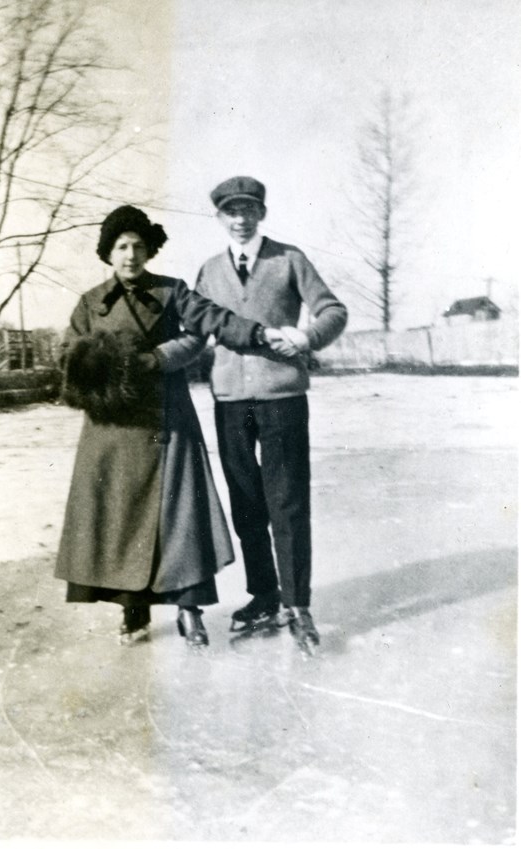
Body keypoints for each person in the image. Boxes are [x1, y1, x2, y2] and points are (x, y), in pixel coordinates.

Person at [55, 205, 294, 648]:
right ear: (108, 252)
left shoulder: (171, 292)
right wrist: (101, 366)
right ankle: (133, 610)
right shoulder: (89, 303)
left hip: (167, 421)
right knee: (122, 519)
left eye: (139, 246)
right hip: (112, 429)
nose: (131, 255)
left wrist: (160, 358)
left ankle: (189, 611)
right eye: (122, 246)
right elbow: (69, 355)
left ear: (149, 251)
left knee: (180, 519)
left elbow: (205, 327)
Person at [195, 176, 348, 649]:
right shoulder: (208, 270)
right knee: (246, 506)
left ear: (261, 214)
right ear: (219, 217)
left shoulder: (289, 259)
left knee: (287, 502)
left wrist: (307, 337)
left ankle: (298, 603)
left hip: (282, 399)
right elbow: (197, 326)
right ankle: (264, 593)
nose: (240, 219)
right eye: (230, 212)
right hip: (229, 402)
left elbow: (332, 310)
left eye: (248, 210)